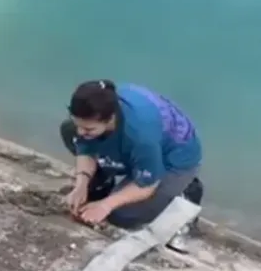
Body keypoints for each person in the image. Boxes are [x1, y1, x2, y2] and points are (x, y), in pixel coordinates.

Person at [61, 80, 204, 252]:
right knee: (68, 131)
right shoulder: (95, 113)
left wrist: (106, 205)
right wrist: (81, 185)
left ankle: (186, 192)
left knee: (121, 216)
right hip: (137, 146)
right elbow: (85, 148)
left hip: (174, 159)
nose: (81, 132)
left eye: (88, 129)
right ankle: (103, 179)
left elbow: (147, 185)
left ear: (110, 119)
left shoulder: (140, 135)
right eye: (79, 125)